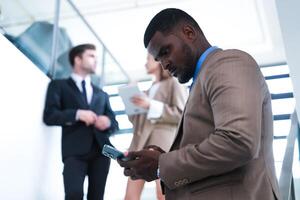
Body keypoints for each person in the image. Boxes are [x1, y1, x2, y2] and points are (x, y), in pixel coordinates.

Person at [118, 8, 280, 200]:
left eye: (166, 52)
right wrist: (165, 157)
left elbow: (238, 141)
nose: (165, 65)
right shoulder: (201, 80)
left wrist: (163, 164)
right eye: (159, 60)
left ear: (189, 33)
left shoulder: (229, 63)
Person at [43, 43, 119, 200]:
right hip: (74, 151)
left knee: (97, 197)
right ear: (77, 59)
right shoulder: (59, 85)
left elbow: (115, 124)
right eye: (91, 56)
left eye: (96, 57)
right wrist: (77, 114)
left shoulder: (102, 94)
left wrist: (108, 122)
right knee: (73, 194)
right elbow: (49, 116)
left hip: (102, 151)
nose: (96, 61)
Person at [124, 53, 187, 200]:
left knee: (162, 195)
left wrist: (150, 105)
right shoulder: (147, 90)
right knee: (130, 196)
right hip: (140, 146)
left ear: (159, 60)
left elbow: (181, 114)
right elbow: (136, 122)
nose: (145, 63)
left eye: (148, 59)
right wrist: (131, 101)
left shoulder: (173, 83)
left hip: (162, 147)